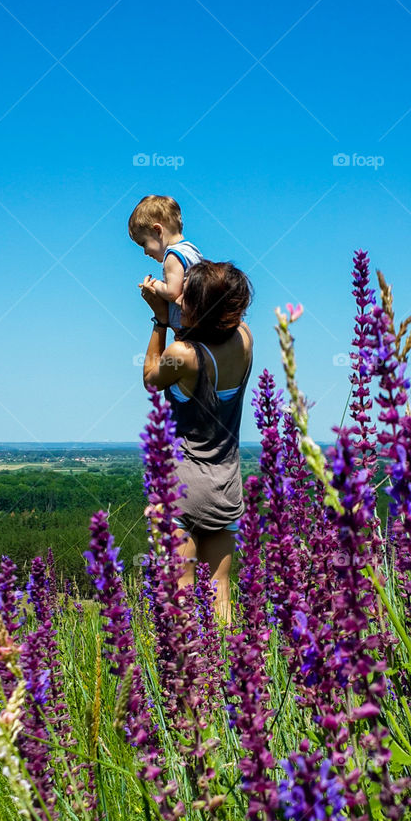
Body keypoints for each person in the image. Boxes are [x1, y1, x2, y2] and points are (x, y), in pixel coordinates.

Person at [140, 259, 254, 625]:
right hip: (227, 483)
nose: (178, 300)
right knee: (220, 587)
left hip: (184, 486)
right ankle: (226, 672)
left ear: (200, 310)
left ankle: (193, 679)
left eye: (185, 298)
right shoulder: (245, 339)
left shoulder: (184, 356)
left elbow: (150, 378)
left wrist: (160, 320)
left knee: (183, 590)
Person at [128, 194, 202, 334]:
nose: (145, 252)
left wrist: (155, 285)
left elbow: (172, 292)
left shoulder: (172, 256)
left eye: (144, 243)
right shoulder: (192, 250)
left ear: (158, 230)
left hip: (186, 331)